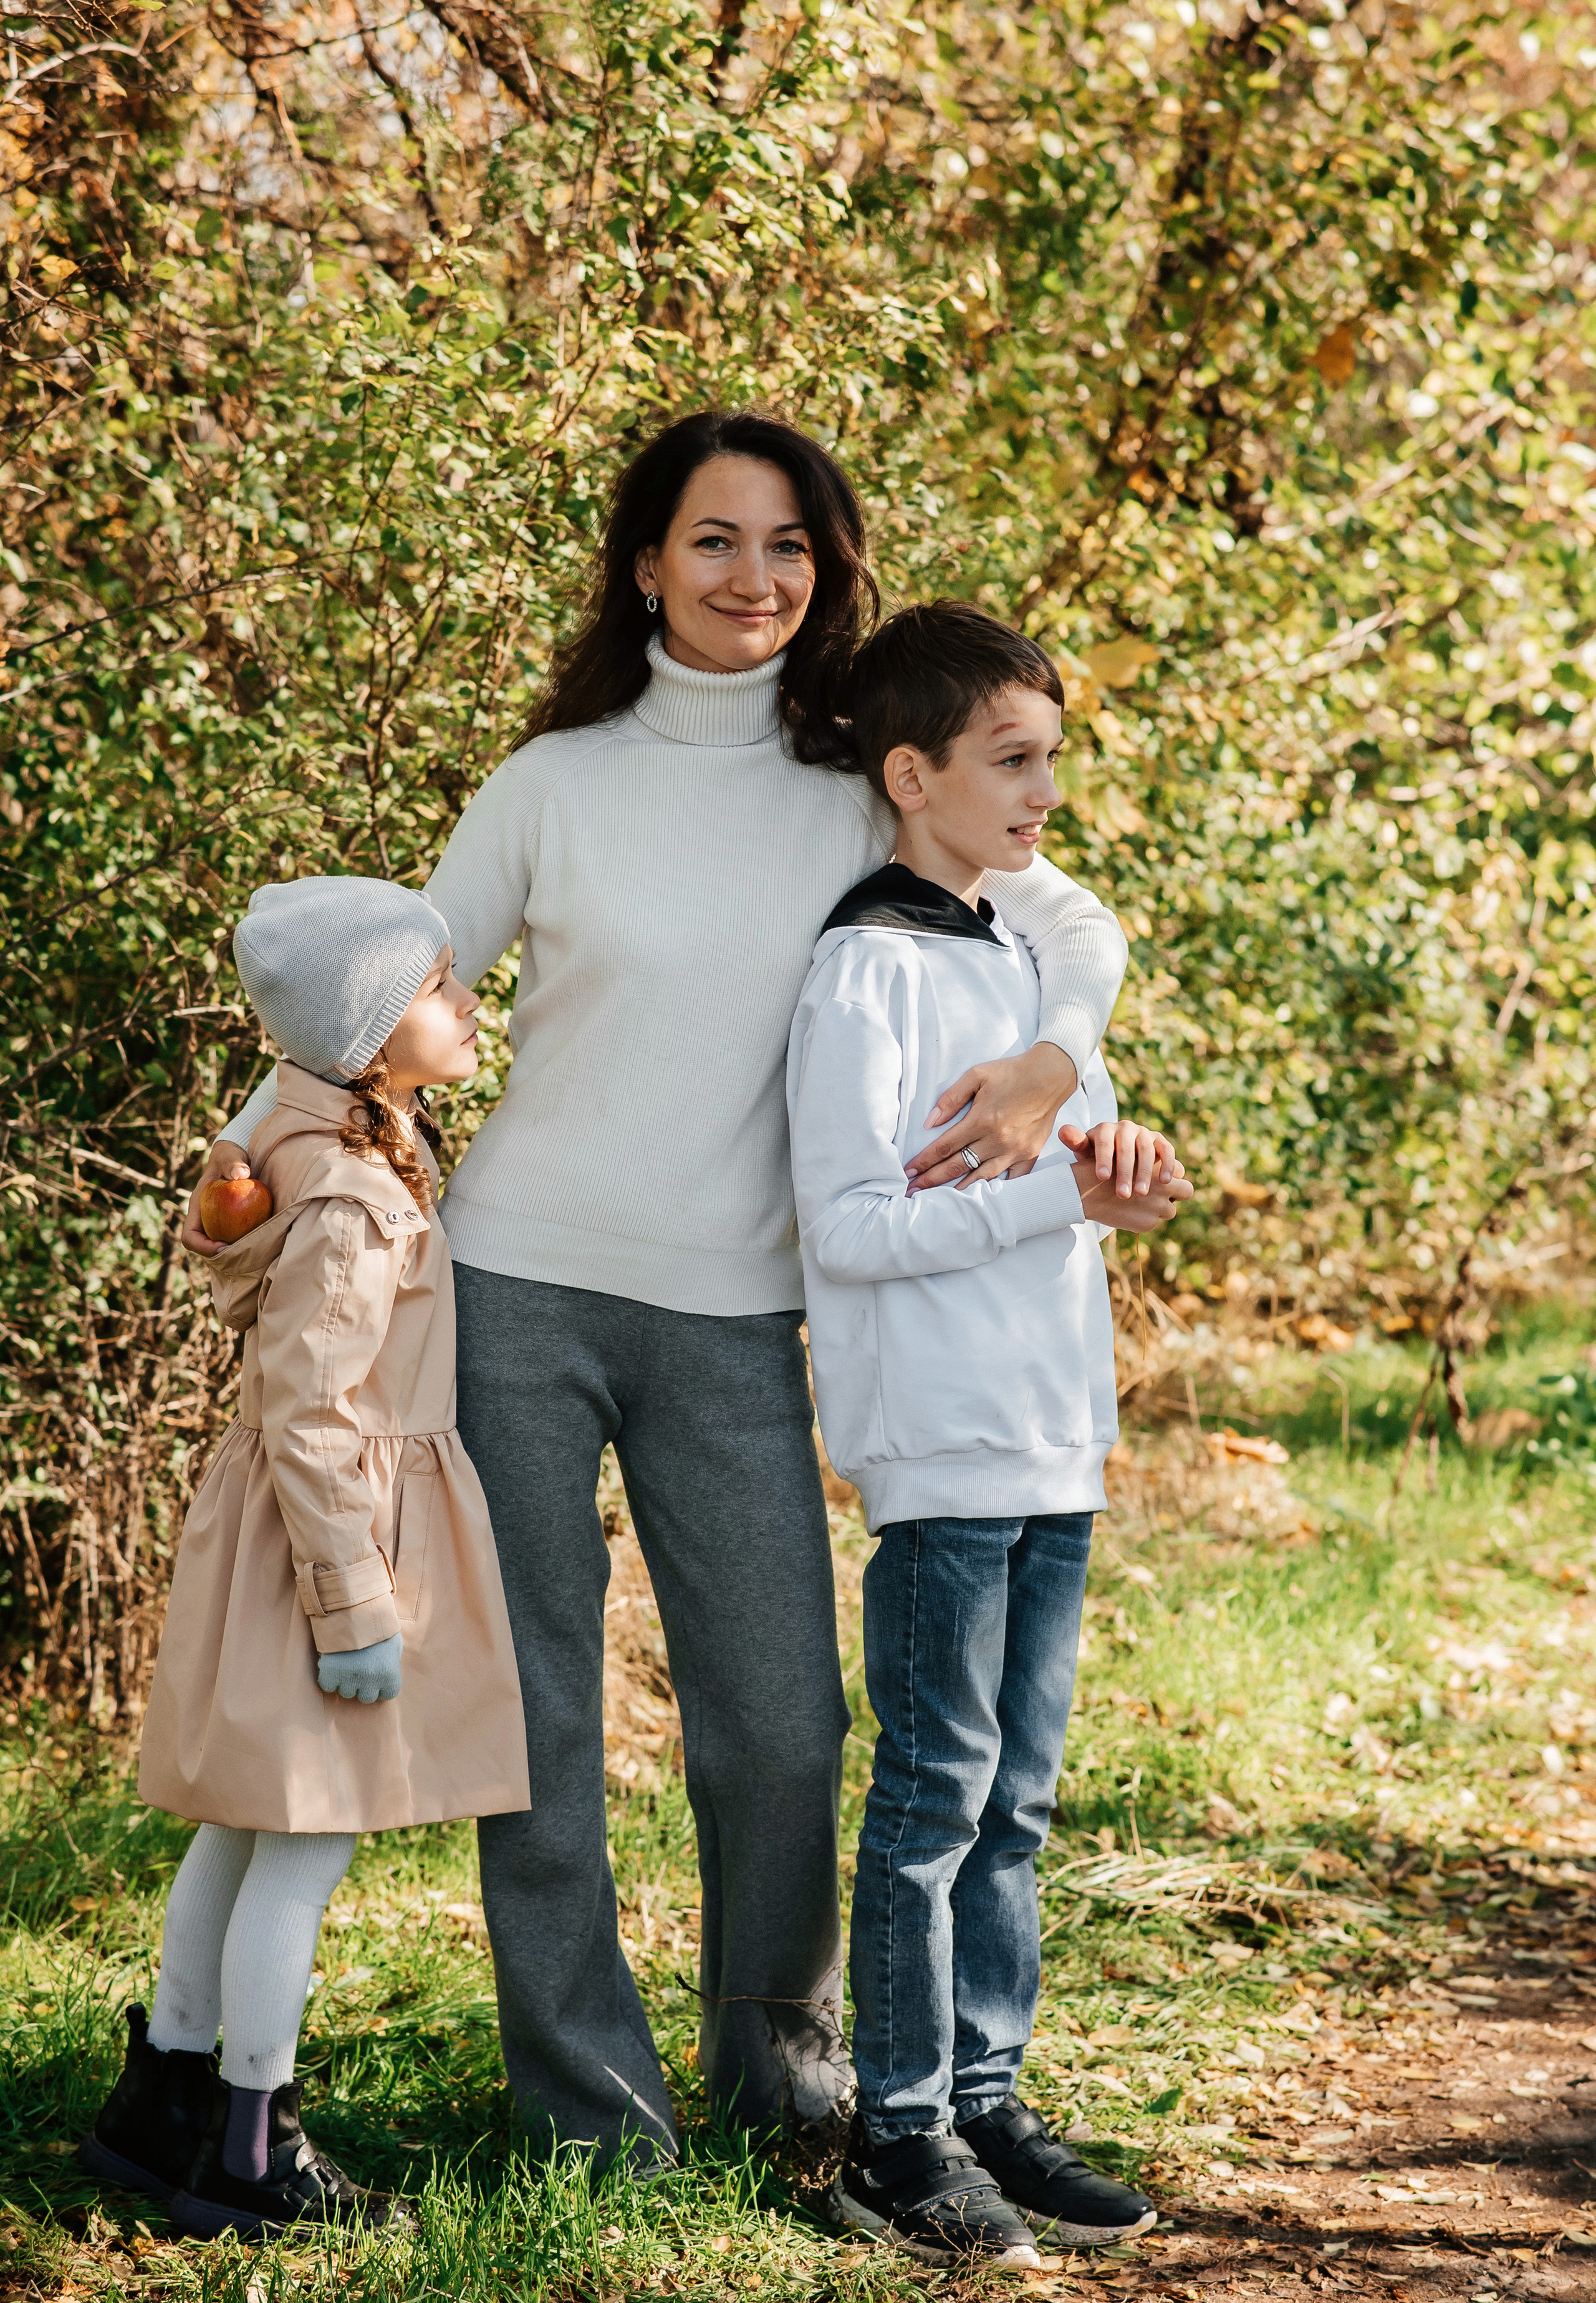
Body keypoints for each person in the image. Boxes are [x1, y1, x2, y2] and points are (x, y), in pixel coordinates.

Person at [183, 412, 1131, 2171]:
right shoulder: (556, 782)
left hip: (737, 1314)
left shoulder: (869, 777)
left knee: (782, 1720)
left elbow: (1072, 927)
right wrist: (246, 1164)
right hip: (521, 1291)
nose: (752, 576)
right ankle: (593, 2116)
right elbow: (385, 978)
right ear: (644, 567)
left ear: (827, 567)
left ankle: (784, 2072)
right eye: (712, 540)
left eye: (787, 544)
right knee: (536, 1721)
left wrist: (1051, 1063)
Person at [787, 602, 1194, 2266]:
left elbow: (1055, 1180)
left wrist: (1117, 1184)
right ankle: (899, 2132)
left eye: (1051, 760)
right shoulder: (862, 969)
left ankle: (988, 2096)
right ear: (911, 774)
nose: (1042, 794)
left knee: (1019, 1799)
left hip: (1051, 1439)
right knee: (936, 1797)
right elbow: (855, 1231)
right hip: (942, 1450)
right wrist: (1040, 1207)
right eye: (1010, 762)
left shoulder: (1020, 954)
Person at [84, 879, 529, 2238]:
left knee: (245, 1817)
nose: (466, 1004)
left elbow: (230, 1205)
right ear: (368, 1026)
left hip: (275, 1524)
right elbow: (313, 1408)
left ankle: (163, 2090)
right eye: (440, 988)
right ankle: (250, 2138)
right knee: (308, 1840)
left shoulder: (298, 1121)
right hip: (325, 1533)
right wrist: (355, 1607)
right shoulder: (347, 1196)